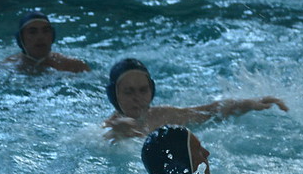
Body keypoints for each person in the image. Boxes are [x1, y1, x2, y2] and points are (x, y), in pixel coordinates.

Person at [102, 58, 288, 143]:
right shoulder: (113, 126)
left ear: (152, 90)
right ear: (114, 96)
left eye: (143, 90)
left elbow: (209, 111)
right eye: (128, 92)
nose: (137, 98)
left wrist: (248, 104)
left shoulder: (164, 115)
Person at [5, 11, 90, 73]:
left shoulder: (74, 66)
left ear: (52, 36)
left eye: (46, 31)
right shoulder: (8, 67)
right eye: (32, 32)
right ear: (20, 39)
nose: (40, 37)